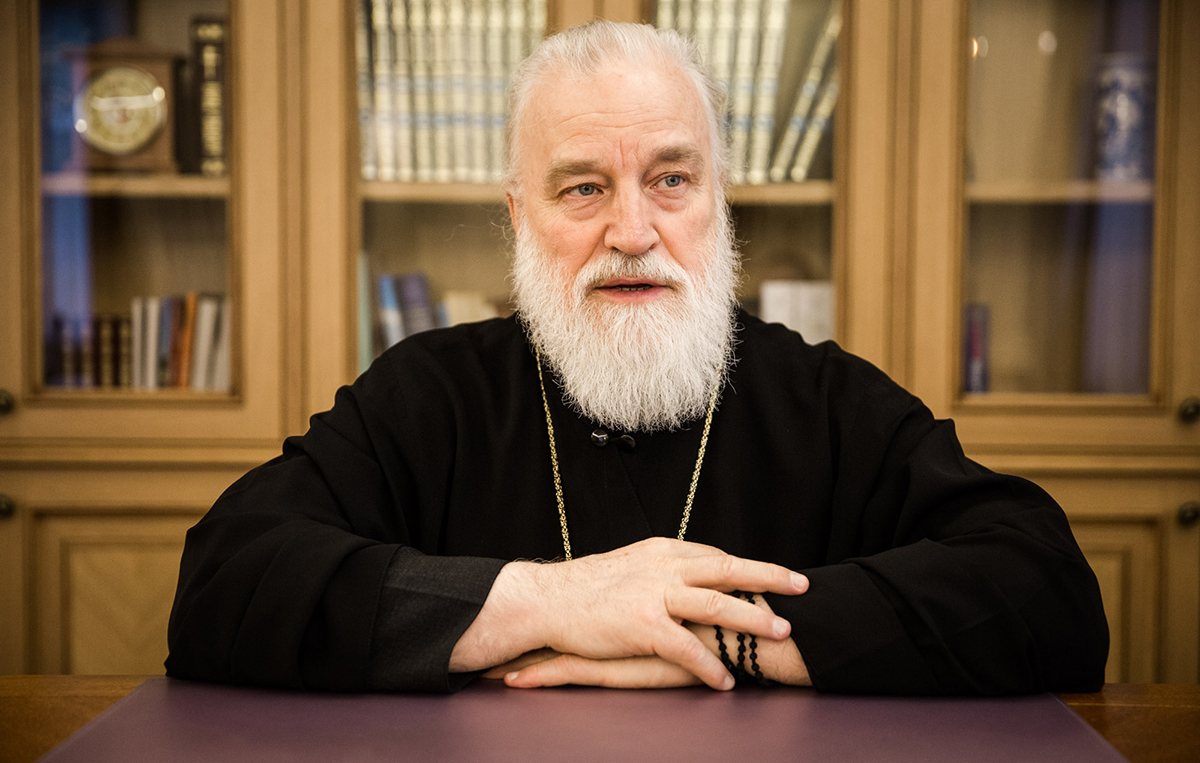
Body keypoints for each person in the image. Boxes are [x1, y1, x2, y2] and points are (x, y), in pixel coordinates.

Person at [165, 21, 1108, 695]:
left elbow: (1048, 591)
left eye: (670, 179)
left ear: (717, 201)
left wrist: (726, 638)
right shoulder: (429, 395)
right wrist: (547, 601)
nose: (632, 231)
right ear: (519, 217)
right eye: (583, 187)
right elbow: (224, 582)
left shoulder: (825, 402)